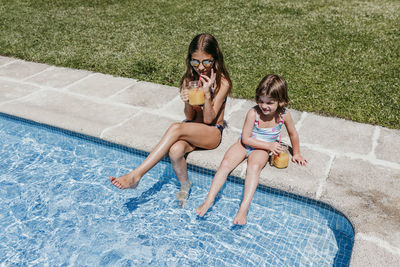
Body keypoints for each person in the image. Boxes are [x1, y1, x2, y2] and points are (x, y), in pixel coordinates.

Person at [109, 33, 232, 207]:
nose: (201, 67)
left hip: (211, 133)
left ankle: (137, 175)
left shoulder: (222, 83)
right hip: (192, 129)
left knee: (176, 127)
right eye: (195, 62)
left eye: (206, 62)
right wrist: (187, 101)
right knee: (175, 151)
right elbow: (190, 117)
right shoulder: (189, 79)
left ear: (215, 59)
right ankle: (185, 185)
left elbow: (209, 120)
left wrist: (206, 94)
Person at [196, 74, 307, 224]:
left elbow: (293, 133)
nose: (264, 106)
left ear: (281, 101)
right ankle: (209, 200)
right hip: (246, 144)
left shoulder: (283, 115)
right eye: (261, 101)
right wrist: (269, 145)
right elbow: (246, 139)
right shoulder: (253, 113)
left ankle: (243, 209)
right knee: (225, 164)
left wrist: (297, 153)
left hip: (261, 149)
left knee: (253, 167)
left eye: (270, 103)